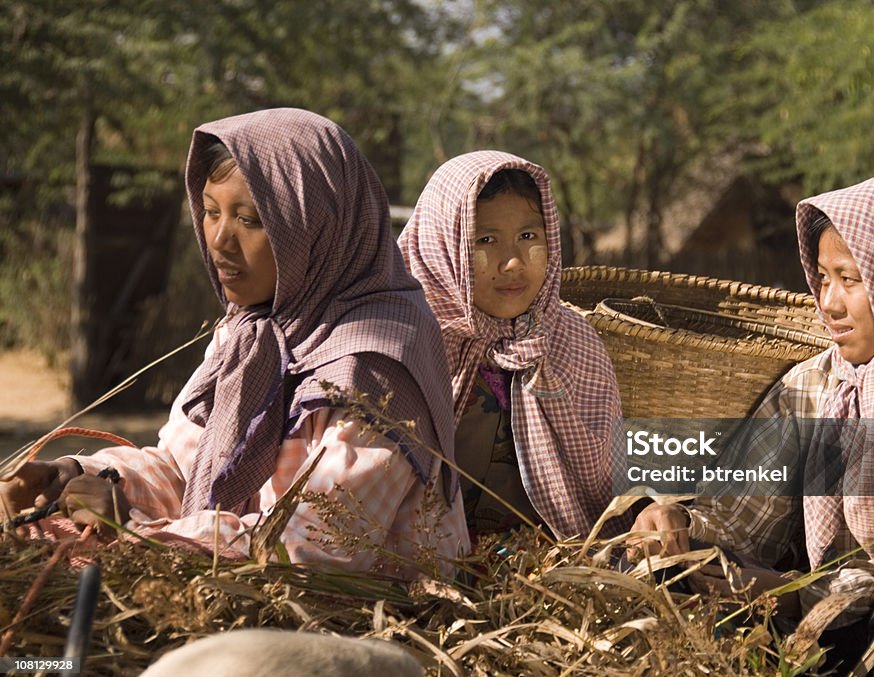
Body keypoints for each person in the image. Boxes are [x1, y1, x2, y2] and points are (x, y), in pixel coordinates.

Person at [0, 108, 468, 577]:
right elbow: (183, 471)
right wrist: (76, 478)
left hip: (356, 626)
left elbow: (314, 551)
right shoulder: (250, 333)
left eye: (249, 219)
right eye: (209, 211)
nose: (220, 239)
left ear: (316, 229)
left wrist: (138, 529)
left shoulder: (373, 362)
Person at [631, 176, 874, 676]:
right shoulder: (818, 385)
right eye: (822, 277)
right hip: (807, 630)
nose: (829, 303)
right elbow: (742, 521)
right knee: (659, 566)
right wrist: (682, 527)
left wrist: (796, 596)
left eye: (851, 279)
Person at [398, 151, 623, 541]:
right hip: (424, 570)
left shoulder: (572, 342)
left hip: (550, 572)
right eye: (485, 239)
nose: (513, 263)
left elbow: (613, 476)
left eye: (528, 236)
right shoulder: (407, 345)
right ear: (442, 244)